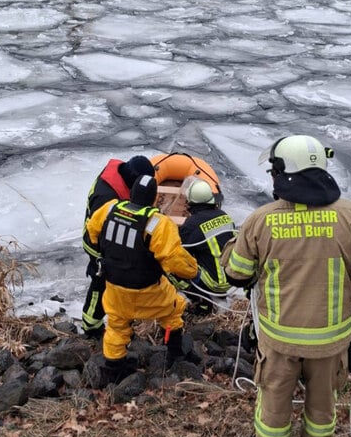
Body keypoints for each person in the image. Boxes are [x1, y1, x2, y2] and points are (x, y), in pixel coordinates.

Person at [222, 135, 351, 437]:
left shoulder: (260, 221)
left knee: (273, 405)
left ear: (283, 171)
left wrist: (235, 244)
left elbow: (236, 274)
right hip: (331, 341)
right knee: (323, 409)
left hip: (279, 341)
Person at [84, 174, 199, 382]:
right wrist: (193, 270)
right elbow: (174, 260)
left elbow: (91, 231)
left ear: (131, 193)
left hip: (116, 288)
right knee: (173, 310)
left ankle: (114, 369)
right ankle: (175, 353)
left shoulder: (109, 208)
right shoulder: (159, 224)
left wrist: (102, 255)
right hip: (149, 291)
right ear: (155, 198)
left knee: (116, 326)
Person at [80, 155, 155, 339]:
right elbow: (95, 233)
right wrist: (101, 258)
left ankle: (113, 320)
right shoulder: (107, 198)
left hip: (106, 235)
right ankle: (91, 326)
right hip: (97, 244)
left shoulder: (116, 176)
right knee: (99, 283)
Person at [172, 177, 237, 315]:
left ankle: (199, 299)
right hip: (231, 277)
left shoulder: (191, 224)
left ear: (191, 202)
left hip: (213, 283)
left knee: (170, 267)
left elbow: (178, 254)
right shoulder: (225, 216)